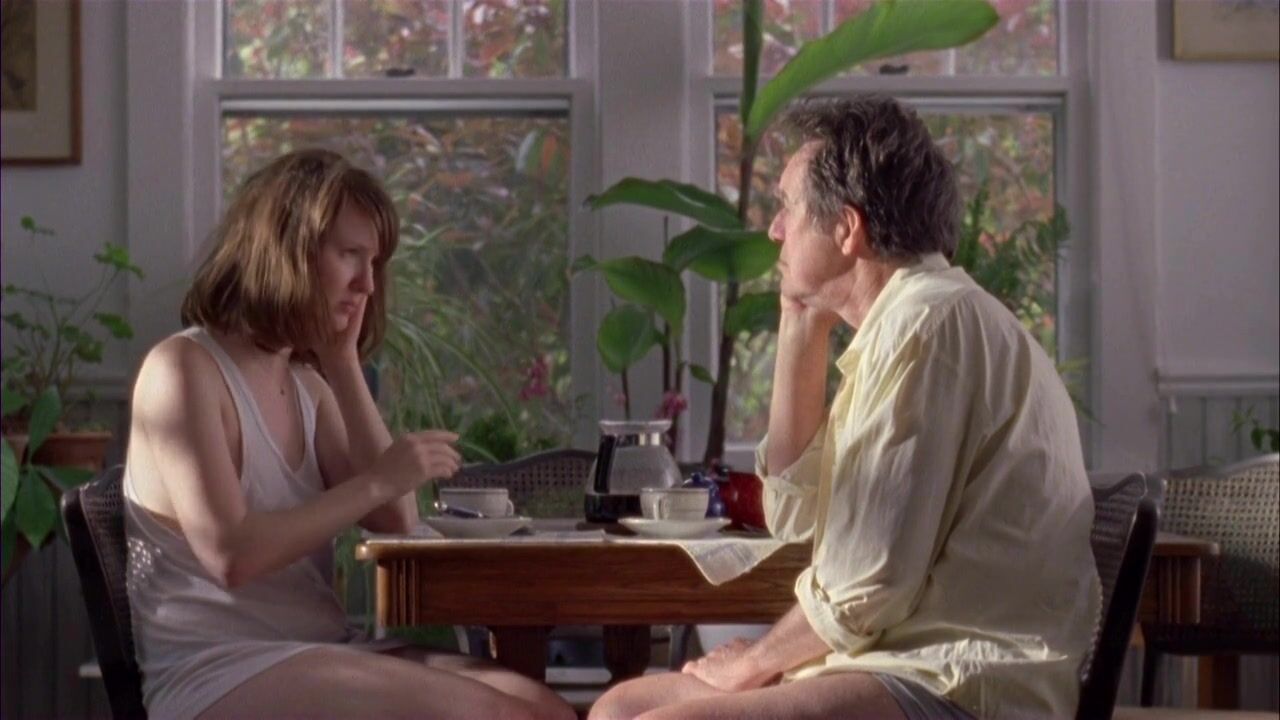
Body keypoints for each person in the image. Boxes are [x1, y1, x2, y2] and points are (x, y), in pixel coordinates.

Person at [590, 97, 1101, 720]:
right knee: (618, 708)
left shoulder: (928, 327)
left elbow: (868, 585)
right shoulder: (905, 322)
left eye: (787, 208)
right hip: (884, 660)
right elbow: (792, 515)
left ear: (847, 229)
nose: (774, 231)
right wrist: (799, 318)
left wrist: (752, 664)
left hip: (957, 681)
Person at [123, 149, 574, 720]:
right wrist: (378, 480)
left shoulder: (308, 385)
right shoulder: (182, 370)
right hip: (219, 668)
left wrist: (341, 362)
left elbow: (396, 519)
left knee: (547, 709)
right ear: (288, 249)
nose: (366, 284)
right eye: (349, 255)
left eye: (374, 263)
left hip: (320, 648)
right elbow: (230, 555)